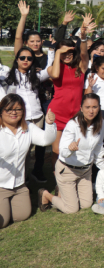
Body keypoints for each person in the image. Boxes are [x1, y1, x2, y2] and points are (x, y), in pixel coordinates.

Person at [39, 94, 104, 214]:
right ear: (81, 108)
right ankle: (46, 195)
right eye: (87, 107)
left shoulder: (101, 123)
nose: (91, 110)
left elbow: (98, 148)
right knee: (72, 209)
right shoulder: (73, 125)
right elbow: (62, 151)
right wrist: (70, 148)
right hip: (67, 170)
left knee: (86, 205)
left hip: (85, 171)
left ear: (99, 107)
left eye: (94, 107)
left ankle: (64, 192)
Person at [0, 95, 56, 228]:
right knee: (2, 222)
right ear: (1, 111)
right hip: (1, 185)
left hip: (19, 185)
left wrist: (49, 124)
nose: (14, 112)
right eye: (9, 109)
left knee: (22, 215)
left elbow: (46, 140)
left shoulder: (28, 127)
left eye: (18, 109)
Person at [47, 15, 94, 164]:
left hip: (75, 114)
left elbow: (84, 54)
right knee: (57, 150)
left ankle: (72, 175)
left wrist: (84, 36)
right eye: (64, 53)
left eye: (70, 53)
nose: (67, 55)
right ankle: (58, 179)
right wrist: (59, 52)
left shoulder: (80, 67)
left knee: (75, 147)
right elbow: (54, 74)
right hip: (57, 112)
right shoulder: (53, 67)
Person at [5, 48, 51, 182]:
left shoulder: (35, 76)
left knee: (36, 149)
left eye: (29, 58)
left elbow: (50, 70)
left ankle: (27, 178)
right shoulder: (9, 75)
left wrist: (53, 51)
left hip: (38, 117)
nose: (26, 60)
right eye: (22, 58)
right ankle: (20, 181)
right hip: (20, 119)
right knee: (22, 152)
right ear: (17, 59)